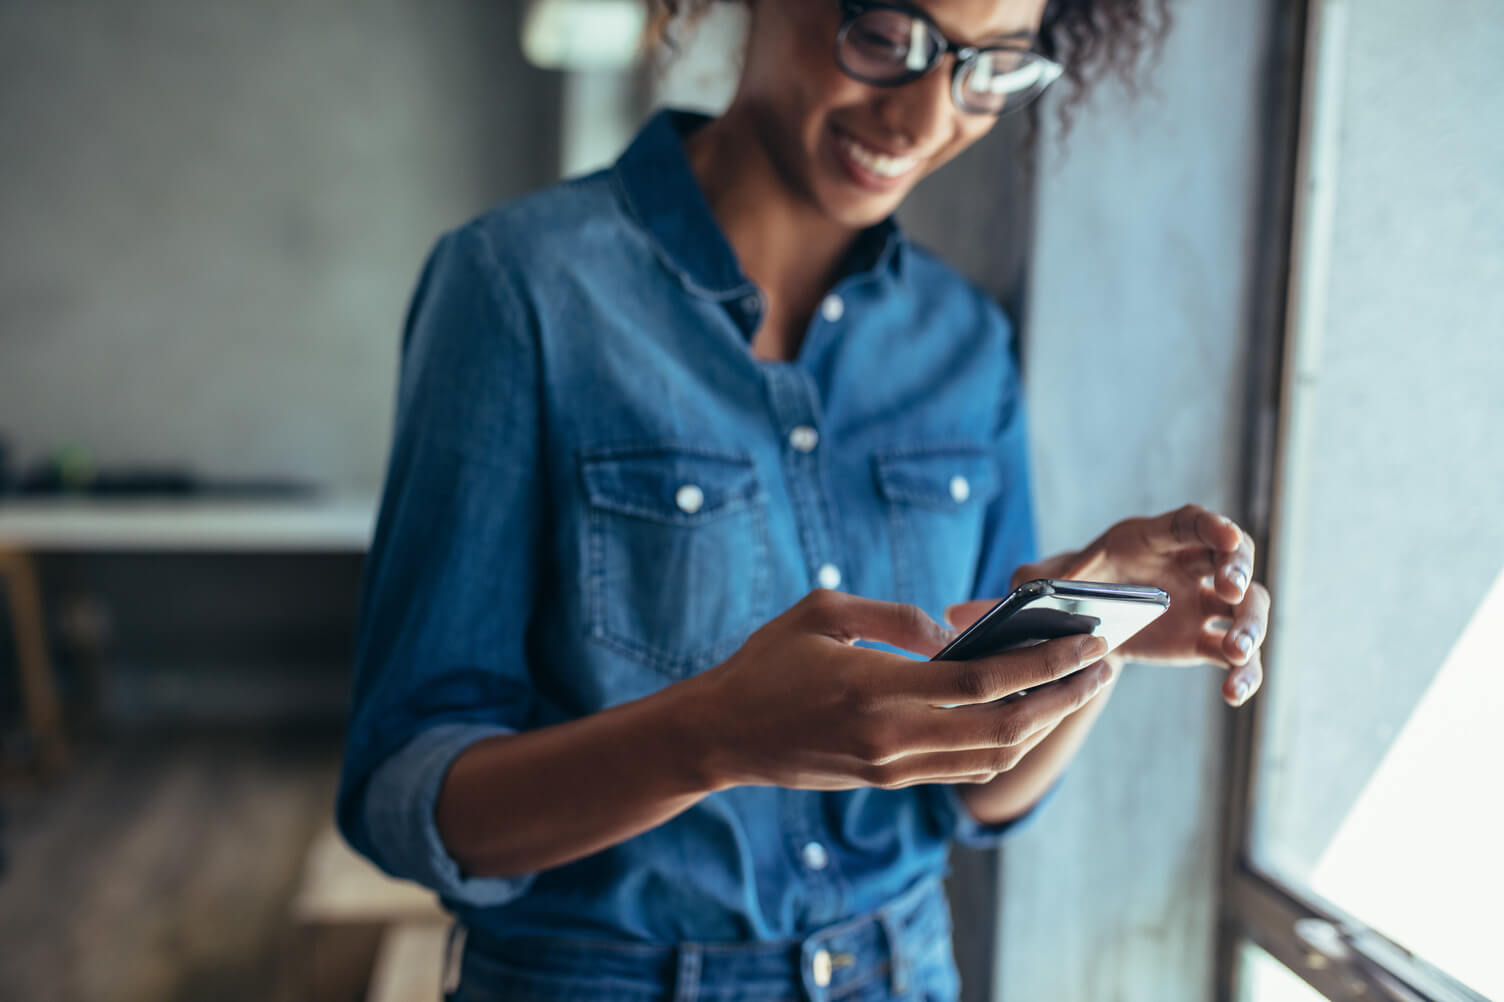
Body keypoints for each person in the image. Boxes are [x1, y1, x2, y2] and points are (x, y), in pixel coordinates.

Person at [336, 0, 1272, 999]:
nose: (922, 121)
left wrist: (1090, 642)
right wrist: (708, 738)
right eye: (883, 39)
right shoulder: (516, 288)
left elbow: (977, 800)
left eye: (989, 71)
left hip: (902, 970)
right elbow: (406, 796)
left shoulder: (963, 344)